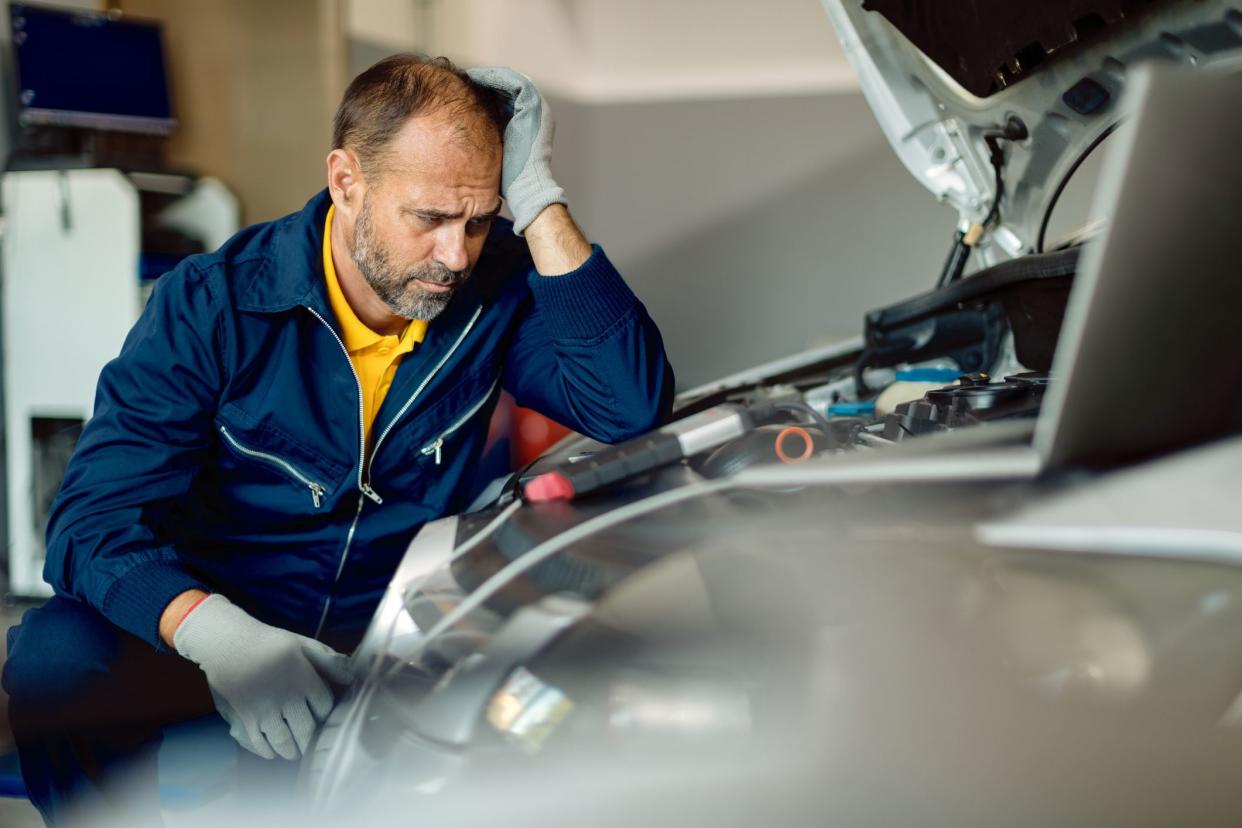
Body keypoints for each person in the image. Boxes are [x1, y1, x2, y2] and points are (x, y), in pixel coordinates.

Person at [3, 54, 674, 825]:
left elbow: (629, 407)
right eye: (429, 218)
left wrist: (534, 195)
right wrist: (218, 638)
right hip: (220, 633)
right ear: (347, 182)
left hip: (382, 642)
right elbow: (89, 527)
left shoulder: (493, 288)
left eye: (480, 219)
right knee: (56, 657)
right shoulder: (212, 302)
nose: (456, 255)